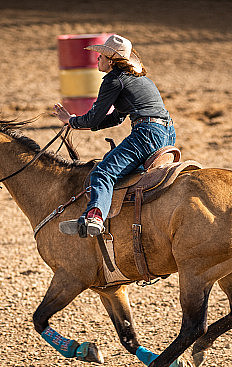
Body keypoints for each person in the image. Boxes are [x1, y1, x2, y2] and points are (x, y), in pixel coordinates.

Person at [52, 34, 176, 238]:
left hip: (147, 133)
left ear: (110, 61)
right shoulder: (138, 79)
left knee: (102, 173)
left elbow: (94, 118)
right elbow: (116, 118)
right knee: (128, 175)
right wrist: (80, 123)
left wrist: (71, 121)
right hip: (167, 133)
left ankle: (95, 216)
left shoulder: (113, 80)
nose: (96, 60)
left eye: (100, 56)